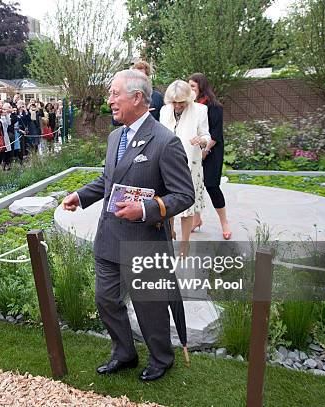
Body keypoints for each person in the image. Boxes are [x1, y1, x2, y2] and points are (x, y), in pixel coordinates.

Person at [62, 69, 194, 381]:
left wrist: (147, 209)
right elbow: (109, 179)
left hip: (144, 240)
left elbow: (184, 195)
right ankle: (124, 352)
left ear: (137, 98)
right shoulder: (114, 137)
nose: (109, 100)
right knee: (106, 300)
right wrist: (81, 196)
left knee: (150, 307)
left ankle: (162, 358)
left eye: (114, 94)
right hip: (109, 237)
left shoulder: (165, 142)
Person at [159, 80, 211, 253]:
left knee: (187, 206)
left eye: (182, 102)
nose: (178, 105)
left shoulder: (200, 110)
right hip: (168, 164)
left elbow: (206, 135)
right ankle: (171, 233)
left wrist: (201, 140)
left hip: (191, 163)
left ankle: (185, 243)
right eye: (175, 102)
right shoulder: (165, 110)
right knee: (168, 203)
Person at [188, 73, 231, 239]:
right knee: (194, 185)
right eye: (189, 86)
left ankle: (224, 222)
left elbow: (215, 135)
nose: (190, 89)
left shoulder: (214, 106)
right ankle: (197, 219)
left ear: (201, 87)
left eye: (193, 86)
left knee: (212, 186)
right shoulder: (190, 106)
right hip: (195, 151)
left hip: (211, 151)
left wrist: (204, 152)